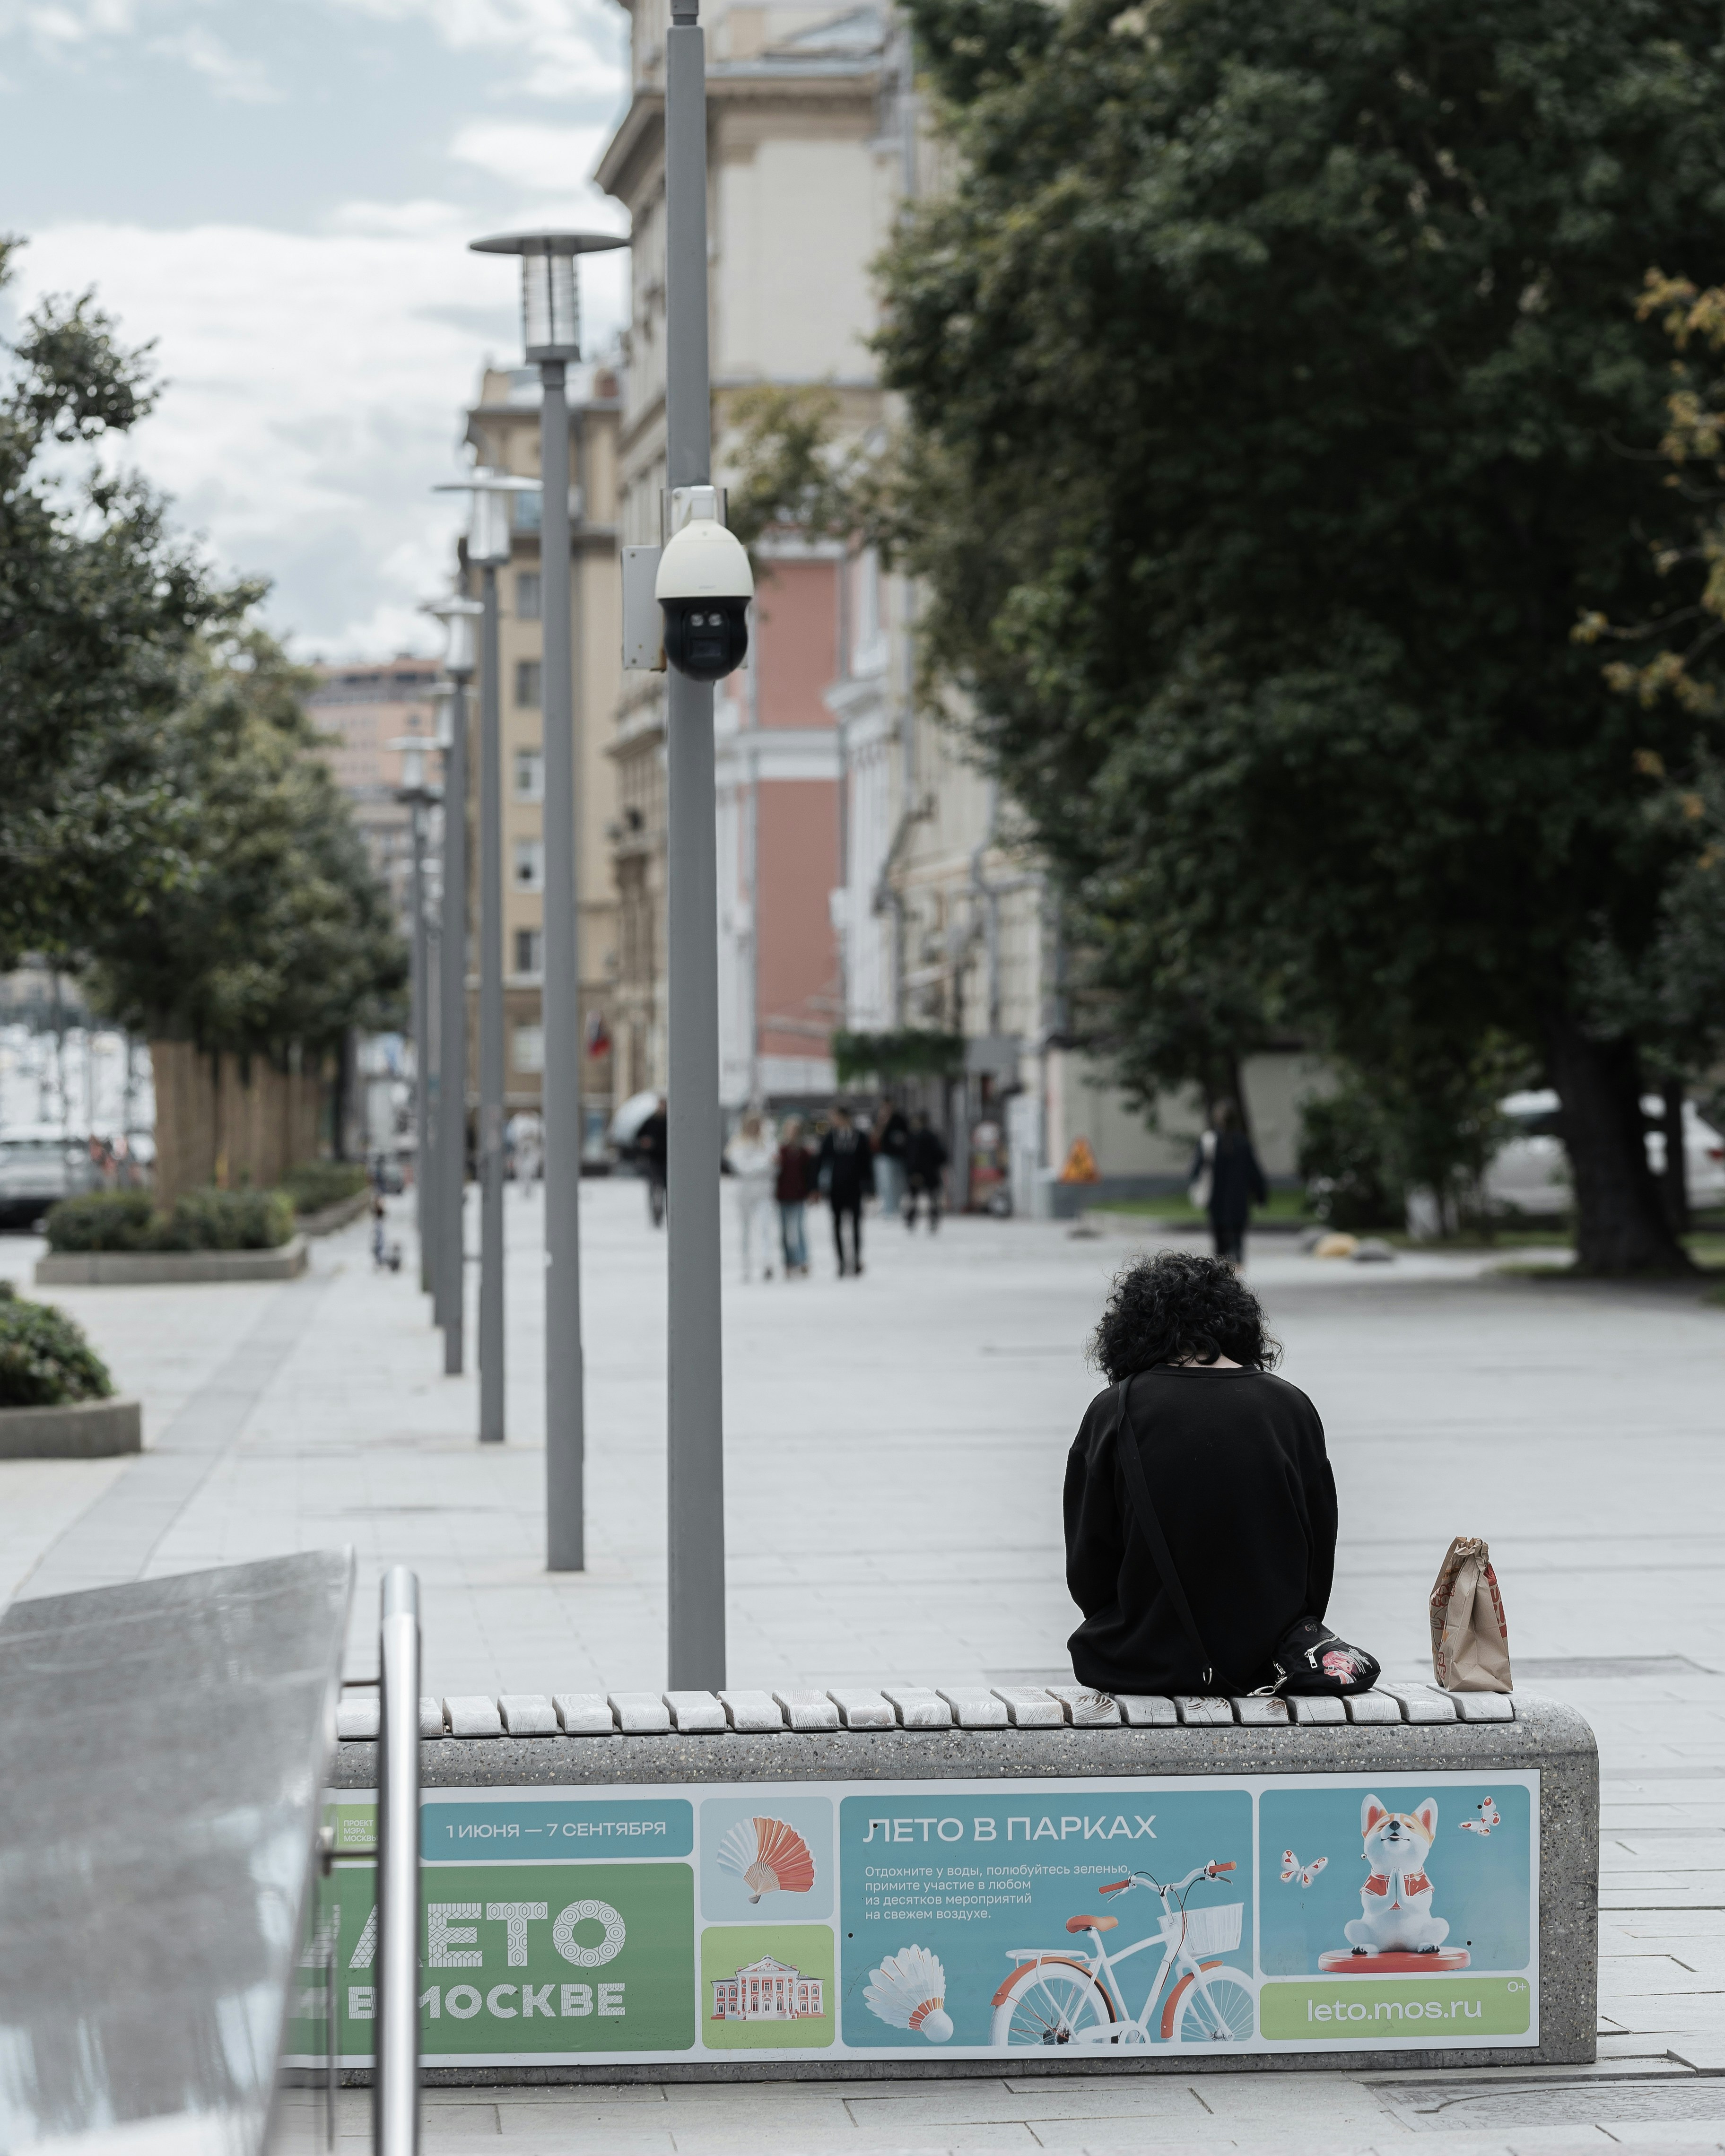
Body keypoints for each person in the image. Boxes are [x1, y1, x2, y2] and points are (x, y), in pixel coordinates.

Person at [1064, 1251, 1337, 1698]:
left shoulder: (1114, 1411)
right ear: (1238, 1322)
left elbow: (1089, 1567)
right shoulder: (1290, 1408)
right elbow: (1317, 1554)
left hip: (1138, 1662)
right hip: (1271, 1664)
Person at [1190, 1099, 1267, 1266]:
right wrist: (1261, 1195)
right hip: (1239, 1198)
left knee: (1219, 1237)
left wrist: (1195, 1183)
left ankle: (1220, 1271)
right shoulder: (1242, 1142)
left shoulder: (1210, 1141)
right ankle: (1238, 1266)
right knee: (1238, 1235)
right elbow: (1254, 1170)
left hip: (1216, 1197)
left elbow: (1196, 1169)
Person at [818, 1104, 874, 1276]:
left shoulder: (860, 1137)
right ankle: (842, 1262)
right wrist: (815, 1187)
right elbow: (821, 1162)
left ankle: (856, 1260)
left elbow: (867, 1163)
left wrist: (870, 1188)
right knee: (837, 1225)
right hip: (836, 1188)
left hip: (855, 1187)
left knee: (856, 1225)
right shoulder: (830, 1138)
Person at [724, 1111, 778, 1282]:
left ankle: (767, 1263)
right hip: (744, 1191)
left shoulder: (768, 1143)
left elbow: (775, 1166)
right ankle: (746, 1266)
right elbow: (743, 1167)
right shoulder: (738, 1144)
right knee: (746, 1230)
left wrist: (763, 1164)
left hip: (764, 1191)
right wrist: (764, 1164)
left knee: (765, 1227)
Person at [775, 1116, 814, 1277]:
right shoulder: (780, 1151)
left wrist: (812, 1192)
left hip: (799, 1195)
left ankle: (803, 1260)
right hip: (783, 1195)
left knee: (799, 1229)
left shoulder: (804, 1152)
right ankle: (788, 1261)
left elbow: (809, 1174)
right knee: (784, 1231)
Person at [904, 1112, 948, 1231]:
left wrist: (913, 1172)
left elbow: (912, 1157)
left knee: (914, 1199)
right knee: (932, 1199)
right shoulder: (932, 1136)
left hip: (919, 1172)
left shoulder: (915, 1137)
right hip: (931, 1173)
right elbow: (942, 1155)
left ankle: (911, 1221)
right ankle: (932, 1221)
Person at [872, 1100, 909, 1220]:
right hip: (884, 1156)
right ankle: (889, 1209)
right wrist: (882, 1122)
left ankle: (896, 1207)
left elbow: (907, 1135)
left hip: (899, 1156)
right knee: (886, 1183)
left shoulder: (899, 1119)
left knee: (898, 1184)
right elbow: (874, 1138)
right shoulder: (878, 1119)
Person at [636, 1097, 668, 1227]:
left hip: (667, 1161)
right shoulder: (650, 1121)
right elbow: (638, 1136)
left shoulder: (670, 1121)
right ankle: (656, 1215)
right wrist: (645, 1142)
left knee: (667, 1189)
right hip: (654, 1160)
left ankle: (665, 1214)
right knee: (655, 1189)